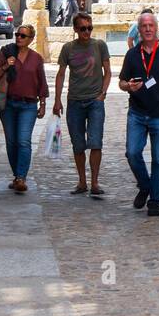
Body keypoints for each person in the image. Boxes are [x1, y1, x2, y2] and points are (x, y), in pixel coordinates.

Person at [118, 10, 159, 216]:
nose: (147, 29)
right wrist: (128, 86)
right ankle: (145, 185)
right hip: (137, 113)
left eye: (151, 26)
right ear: (139, 29)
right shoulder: (132, 54)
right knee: (132, 153)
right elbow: (121, 82)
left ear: (157, 28)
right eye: (144, 26)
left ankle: (155, 200)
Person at [53, 12, 111, 199]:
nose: (87, 31)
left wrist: (103, 93)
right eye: (83, 28)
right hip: (75, 100)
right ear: (76, 29)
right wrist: (57, 99)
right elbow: (61, 74)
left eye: (89, 28)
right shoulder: (68, 48)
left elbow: (108, 71)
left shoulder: (99, 46)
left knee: (95, 142)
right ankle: (82, 181)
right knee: (78, 144)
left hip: (95, 101)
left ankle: (94, 182)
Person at [0, 24, 48, 194]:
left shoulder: (36, 58)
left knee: (23, 141)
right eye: (17, 34)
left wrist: (42, 104)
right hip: (7, 104)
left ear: (30, 39)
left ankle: (21, 177)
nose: (19, 38)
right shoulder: (6, 52)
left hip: (28, 105)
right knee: (11, 142)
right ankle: (17, 176)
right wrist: (6, 66)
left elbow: (41, 82)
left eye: (23, 36)